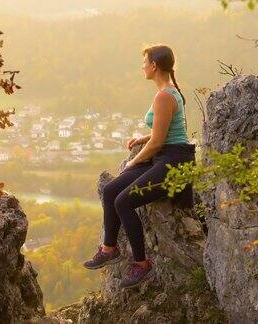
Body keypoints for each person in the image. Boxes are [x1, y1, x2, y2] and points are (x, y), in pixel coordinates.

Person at [82, 44, 196, 290]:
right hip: (164, 156)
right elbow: (164, 132)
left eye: (144, 61)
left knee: (123, 201)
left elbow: (159, 141)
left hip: (174, 162)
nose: (142, 66)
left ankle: (141, 264)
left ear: (154, 65)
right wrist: (142, 139)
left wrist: (133, 161)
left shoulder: (164, 95)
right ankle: (109, 248)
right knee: (111, 190)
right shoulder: (169, 91)